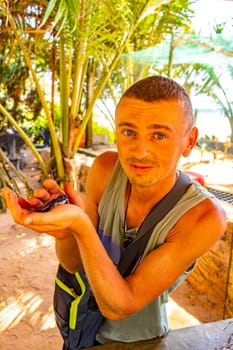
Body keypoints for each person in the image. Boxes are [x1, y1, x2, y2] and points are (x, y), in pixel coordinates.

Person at [2, 76, 226, 345]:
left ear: (189, 142)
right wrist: (66, 231)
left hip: (137, 342)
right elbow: (73, 264)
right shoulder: (106, 169)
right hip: (80, 326)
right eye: (129, 132)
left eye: (159, 135)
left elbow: (121, 305)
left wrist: (81, 225)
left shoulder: (202, 216)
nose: (140, 151)